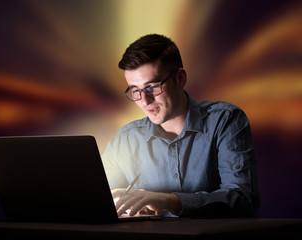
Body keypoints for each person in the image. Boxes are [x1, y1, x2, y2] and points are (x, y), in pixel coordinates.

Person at [102, 34, 259, 218]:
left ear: (180, 78)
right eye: (135, 91)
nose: (144, 101)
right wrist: (122, 205)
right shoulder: (126, 139)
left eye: (152, 86)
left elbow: (243, 200)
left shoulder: (225, 121)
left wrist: (170, 200)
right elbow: (99, 198)